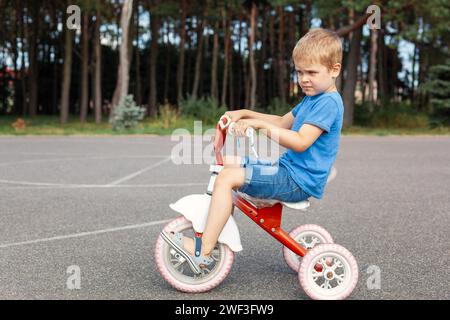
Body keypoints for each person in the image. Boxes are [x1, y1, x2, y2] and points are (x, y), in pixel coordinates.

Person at [163, 28, 344, 269]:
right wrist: (245, 113)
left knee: (227, 179)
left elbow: (301, 141)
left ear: (334, 70)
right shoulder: (312, 99)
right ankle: (212, 232)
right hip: (288, 170)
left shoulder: (328, 103)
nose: (304, 79)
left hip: (298, 180)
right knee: (229, 164)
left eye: (311, 72)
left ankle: (203, 252)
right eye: (299, 72)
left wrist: (258, 125)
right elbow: (281, 122)